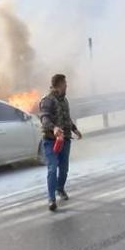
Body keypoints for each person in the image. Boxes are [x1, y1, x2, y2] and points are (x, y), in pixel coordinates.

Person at [39, 74, 83, 212]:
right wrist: (54, 128)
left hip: (65, 140)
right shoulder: (47, 100)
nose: (67, 86)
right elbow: (44, 118)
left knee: (64, 169)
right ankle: (51, 199)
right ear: (58, 85)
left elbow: (66, 118)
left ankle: (60, 188)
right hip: (50, 140)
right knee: (52, 168)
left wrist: (75, 129)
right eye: (65, 84)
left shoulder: (64, 101)